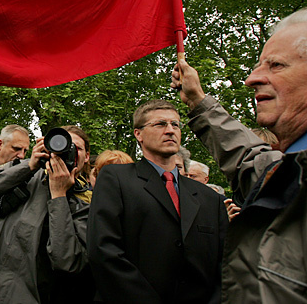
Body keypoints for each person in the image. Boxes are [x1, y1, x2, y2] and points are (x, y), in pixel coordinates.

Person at [171, 7, 307, 303]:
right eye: (258, 65)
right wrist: (198, 100)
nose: (252, 78)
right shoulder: (290, 171)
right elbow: (252, 161)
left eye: (276, 65)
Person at [87, 100, 228, 304]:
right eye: (160, 124)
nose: (170, 130)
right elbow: (103, 251)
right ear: (138, 134)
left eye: (175, 125)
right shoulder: (116, 179)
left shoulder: (209, 198)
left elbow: (223, 264)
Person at [0, 126, 93, 303]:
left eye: (76, 149)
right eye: (62, 146)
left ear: (86, 157)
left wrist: (59, 196)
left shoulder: (86, 201)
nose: (68, 153)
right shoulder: (26, 175)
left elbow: (67, 261)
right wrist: (30, 165)